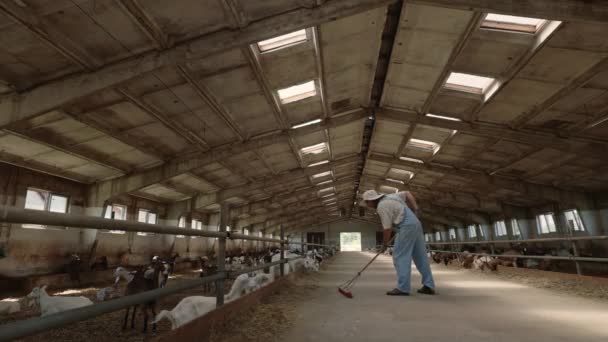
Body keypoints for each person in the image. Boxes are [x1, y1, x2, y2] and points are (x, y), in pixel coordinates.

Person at [362, 189, 435, 296]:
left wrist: (385, 244)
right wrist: (416, 209)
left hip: (406, 227)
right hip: (415, 223)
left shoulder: (381, 206)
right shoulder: (391, 196)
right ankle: (429, 285)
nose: (367, 205)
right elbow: (407, 193)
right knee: (420, 256)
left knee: (400, 256)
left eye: (367, 202)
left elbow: (387, 229)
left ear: (372, 200)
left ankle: (403, 288)